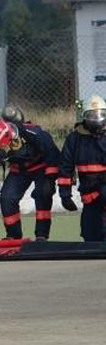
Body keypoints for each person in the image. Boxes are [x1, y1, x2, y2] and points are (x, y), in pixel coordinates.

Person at [0, 105, 60, 240]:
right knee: (7, 199)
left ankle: (42, 236)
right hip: (19, 170)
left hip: (41, 166)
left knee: (43, 195)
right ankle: (13, 236)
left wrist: (50, 179)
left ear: (10, 139)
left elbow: (52, 153)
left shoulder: (33, 133)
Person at [57, 95, 106, 242]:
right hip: (88, 191)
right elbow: (65, 167)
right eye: (92, 116)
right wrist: (65, 195)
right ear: (84, 118)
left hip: (104, 189)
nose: (97, 119)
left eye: (101, 115)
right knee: (89, 234)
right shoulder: (75, 139)